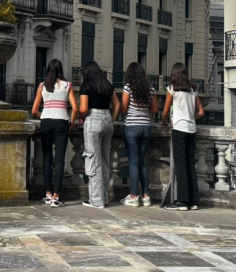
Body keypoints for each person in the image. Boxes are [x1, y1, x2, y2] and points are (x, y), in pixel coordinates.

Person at [31, 59, 78, 208]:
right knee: (59, 161)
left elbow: (34, 110)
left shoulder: (42, 86)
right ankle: (56, 197)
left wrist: (43, 117)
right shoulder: (67, 85)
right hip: (61, 122)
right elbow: (75, 108)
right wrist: (70, 122)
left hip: (46, 122)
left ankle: (47, 194)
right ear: (61, 70)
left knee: (46, 158)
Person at [161, 62, 204, 212]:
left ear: (174, 75)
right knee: (190, 164)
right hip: (191, 129)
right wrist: (190, 117)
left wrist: (164, 122)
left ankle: (182, 201)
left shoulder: (172, 89)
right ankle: (193, 200)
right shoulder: (192, 90)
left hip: (179, 128)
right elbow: (201, 112)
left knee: (180, 165)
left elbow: (165, 111)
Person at [78, 61, 120, 209]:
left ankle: (96, 200)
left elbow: (83, 109)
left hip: (93, 120)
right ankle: (104, 198)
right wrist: (111, 120)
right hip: (107, 120)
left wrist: (79, 114)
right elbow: (117, 105)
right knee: (104, 161)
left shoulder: (86, 86)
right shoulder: (107, 85)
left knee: (93, 160)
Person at [120, 62, 158, 207]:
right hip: (146, 127)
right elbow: (155, 109)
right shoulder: (150, 89)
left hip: (132, 127)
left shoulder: (128, 88)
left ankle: (134, 195)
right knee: (142, 162)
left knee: (134, 162)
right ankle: (146, 195)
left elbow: (123, 108)